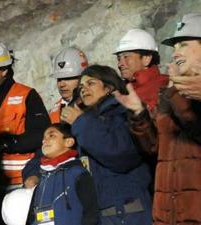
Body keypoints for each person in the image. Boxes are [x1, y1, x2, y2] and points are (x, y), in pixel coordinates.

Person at [115, 13, 201, 225]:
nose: (175, 52)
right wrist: (139, 115)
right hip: (168, 209)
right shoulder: (170, 91)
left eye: (183, 44)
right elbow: (154, 147)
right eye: (175, 47)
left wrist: (175, 93)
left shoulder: (172, 91)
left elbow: (197, 131)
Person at [0, 39, 50, 224]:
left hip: (19, 184)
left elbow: (41, 134)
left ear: (5, 70)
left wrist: (7, 143)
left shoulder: (26, 95)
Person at [61, 65, 153, 225]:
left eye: (91, 83)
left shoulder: (122, 112)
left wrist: (80, 122)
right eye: (81, 86)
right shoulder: (87, 120)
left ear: (108, 88)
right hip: (103, 213)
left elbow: (120, 155)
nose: (83, 89)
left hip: (128, 211)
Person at [23, 47, 88, 189]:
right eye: (59, 79)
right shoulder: (55, 111)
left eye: (68, 78)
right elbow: (43, 151)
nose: (62, 84)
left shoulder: (92, 108)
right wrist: (32, 173)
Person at [28, 123, 99, 225]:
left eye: (51, 135)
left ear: (68, 142)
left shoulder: (78, 173)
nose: (44, 140)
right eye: (43, 138)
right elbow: (31, 216)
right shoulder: (42, 177)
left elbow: (91, 213)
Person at [114, 28, 168, 112]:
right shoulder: (124, 90)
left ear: (146, 59)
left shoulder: (163, 86)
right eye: (119, 58)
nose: (120, 64)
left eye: (126, 57)